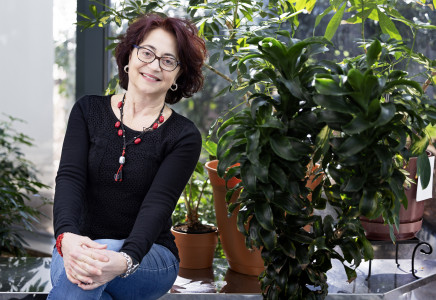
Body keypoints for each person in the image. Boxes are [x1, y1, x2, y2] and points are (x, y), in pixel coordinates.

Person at [48, 13, 206, 300]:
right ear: (129, 56)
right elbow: (70, 178)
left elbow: (158, 204)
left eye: (168, 60)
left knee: (88, 273)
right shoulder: (87, 111)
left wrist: (124, 259)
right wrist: (66, 238)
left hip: (147, 258)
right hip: (76, 247)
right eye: (147, 52)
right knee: (90, 278)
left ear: (178, 75)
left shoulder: (183, 135)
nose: (154, 65)